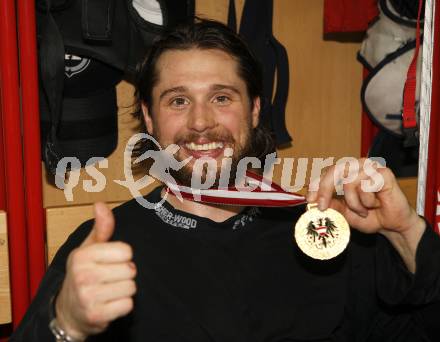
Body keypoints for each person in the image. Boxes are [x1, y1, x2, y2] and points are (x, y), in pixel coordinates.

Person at [12, 19, 440, 342]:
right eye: (178, 100)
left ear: (254, 111)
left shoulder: (329, 228)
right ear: (149, 117)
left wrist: (406, 232)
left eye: (221, 97)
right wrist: (64, 324)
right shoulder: (103, 249)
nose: (201, 122)